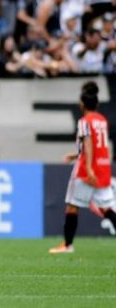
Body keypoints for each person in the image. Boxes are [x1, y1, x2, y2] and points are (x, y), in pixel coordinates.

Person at [49, 82, 116, 254]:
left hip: (87, 169)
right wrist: (76, 154)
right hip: (103, 167)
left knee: (72, 205)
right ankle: (67, 245)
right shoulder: (102, 120)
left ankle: (67, 245)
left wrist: (88, 167)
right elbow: (99, 144)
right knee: (106, 208)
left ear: (82, 104)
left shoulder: (84, 121)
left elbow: (87, 143)